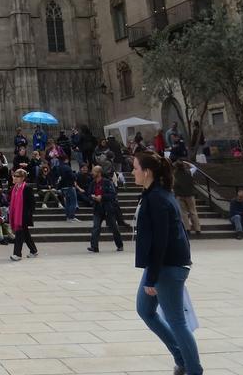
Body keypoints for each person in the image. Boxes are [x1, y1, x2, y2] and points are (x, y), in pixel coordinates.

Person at [132, 152, 202, 375]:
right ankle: (182, 358)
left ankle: (193, 369)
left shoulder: (158, 198)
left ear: (147, 172)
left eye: (135, 168)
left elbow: (161, 239)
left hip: (167, 266)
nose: (133, 172)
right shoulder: (155, 194)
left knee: (176, 321)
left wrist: (152, 277)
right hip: (161, 264)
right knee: (145, 310)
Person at [89, 165, 124, 253]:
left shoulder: (107, 182)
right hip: (97, 208)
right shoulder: (93, 183)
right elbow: (89, 192)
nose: (92, 173)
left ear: (99, 173)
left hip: (108, 208)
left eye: (94, 171)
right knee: (96, 227)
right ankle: (94, 246)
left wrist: (102, 197)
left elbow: (112, 194)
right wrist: (92, 196)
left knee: (113, 227)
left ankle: (120, 245)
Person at [8, 169, 37, 261]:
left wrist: (28, 215)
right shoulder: (14, 188)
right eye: (15, 176)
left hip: (23, 216)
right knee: (26, 234)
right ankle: (33, 250)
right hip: (16, 215)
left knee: (19, 234)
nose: (15, 178)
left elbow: (32, 203)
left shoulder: (27, 188)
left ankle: (17, 254)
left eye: (17, 176)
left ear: (23, 178)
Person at [172, 161, 201, 236]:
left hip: (179, 195)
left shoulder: (174, 174)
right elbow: (195, 167)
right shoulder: (189, 172)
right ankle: (197, 229)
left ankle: (187, 228)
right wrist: (187, 162)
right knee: (193, 211)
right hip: (190, 194)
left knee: (183, 213)